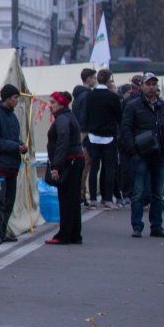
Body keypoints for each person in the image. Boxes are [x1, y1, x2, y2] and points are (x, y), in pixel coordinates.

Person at [119, 73, 164, 238]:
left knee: (158, 193)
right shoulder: (133, 105)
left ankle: (156, 226)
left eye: (154, 84)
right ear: (142, 86)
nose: (151, 87)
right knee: (138, 191)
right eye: (148, 84)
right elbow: (126, 129)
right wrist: (133, 149)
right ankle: (137, 226)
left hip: (160, 154)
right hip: (141, 154)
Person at [0, 83, 27, 245]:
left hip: (12, 166)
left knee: (9, 200)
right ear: (8, 98)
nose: (17, 101)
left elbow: (14, 138)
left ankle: (2, 231)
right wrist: (15, 147)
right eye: (15, 98)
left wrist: (22, 146)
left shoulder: (12, 116)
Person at [46, 91, 85, 245]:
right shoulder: (68, 116)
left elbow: (63, 142)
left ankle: (65, 235)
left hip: (70, 162)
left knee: (67, 199)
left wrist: (56, 166)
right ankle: (74, 234)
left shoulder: (62, 119)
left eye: (53, 102)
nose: (50, 105)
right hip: (75, 160)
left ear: (61, 104)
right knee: (73, 199)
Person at [84, 69, 122, 208]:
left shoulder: (90, 95)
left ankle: (93, 198)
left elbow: (86, 114)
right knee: (109, 168)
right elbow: (119, 116)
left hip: (93, 135)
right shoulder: (113, 97)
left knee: (94, 168)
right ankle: (107, 199)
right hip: (109, 136)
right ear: (108, 80)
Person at [72, 67, 96, 206]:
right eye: (94, 77)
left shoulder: (78, 95)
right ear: (88, 79)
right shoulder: (87, 96)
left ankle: (81, 193)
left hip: (79, 131)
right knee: (85, 165)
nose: (95, 80)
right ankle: (81, 194)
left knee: (82, 164)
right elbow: (84, 116)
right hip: (85, 132)